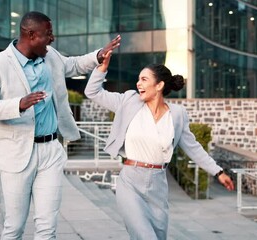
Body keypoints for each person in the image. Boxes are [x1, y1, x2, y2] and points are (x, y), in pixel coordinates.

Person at [0, 11, 120, 240]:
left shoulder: (50, 56)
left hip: (50, 150)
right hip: (17, 154)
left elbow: (72, 65)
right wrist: (18, 104)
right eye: (47, 34)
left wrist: (99, 55)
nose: (52, 39)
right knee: (14, 227)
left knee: (47, 228)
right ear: (31, 35)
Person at [84, 50, 235, 240]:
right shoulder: (129, 101)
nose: (138, 83)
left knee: (157, 236)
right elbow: (92, 92)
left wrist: (218, 172)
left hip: (158, 184)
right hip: (130, 180)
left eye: (144, 79)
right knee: (146, 236)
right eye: (138, 79)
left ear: (159, 85)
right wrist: (101, 69)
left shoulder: (177, 114)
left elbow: (193, 148)